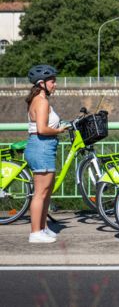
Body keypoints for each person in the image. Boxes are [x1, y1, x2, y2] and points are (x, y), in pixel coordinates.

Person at [24, 64, 66, 243]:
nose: (55, 84)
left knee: (46, 192)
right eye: (52, 81)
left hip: (44, 147)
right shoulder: (41, 102)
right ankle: (35, 233)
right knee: (40, 192)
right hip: (41, 147)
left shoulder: (39, 100)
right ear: (41, 83)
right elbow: (41, 128)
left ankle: (43, 227)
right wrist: (59, 130)